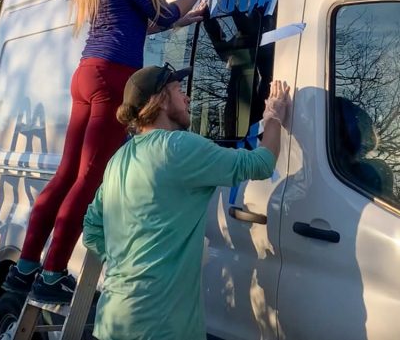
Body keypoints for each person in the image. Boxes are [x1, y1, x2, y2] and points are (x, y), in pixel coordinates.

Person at [3, 0, 217, 304]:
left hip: (89, 72)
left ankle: (26, 268)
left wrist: (181, 18)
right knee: (90, 178)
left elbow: (137, 24)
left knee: (67, 174)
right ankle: (52, 274)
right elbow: (162, 13)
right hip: (113, 75)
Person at [82, 64, 292, 340]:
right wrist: (273, 116)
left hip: (112, 320)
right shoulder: (178, 147)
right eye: (179, 90)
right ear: (160, 100)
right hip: (160, 328)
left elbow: (92, 230)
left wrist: (129, 269)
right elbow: (260, 164)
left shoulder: (118, 160)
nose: (187, 97)